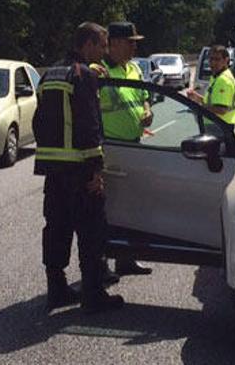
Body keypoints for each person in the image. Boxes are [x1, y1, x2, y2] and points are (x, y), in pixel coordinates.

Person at [32, 22, 123, 314]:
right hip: (80, 169)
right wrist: (97, 170)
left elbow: (38, 122)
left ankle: (56, 289)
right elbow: (89, 125)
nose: (104, 51)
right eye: (101, 45)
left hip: (52, 169)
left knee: (56, 229)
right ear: (87, 45)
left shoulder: (49, 75)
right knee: (91, 232)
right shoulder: (83, 76)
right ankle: (93, 295)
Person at [95, 21, 154, 278]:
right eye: (130, 43)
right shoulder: (99, 72)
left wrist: (148, 110)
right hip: (111, 148)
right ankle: (100, 264)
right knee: (106, 209)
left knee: (131, 207)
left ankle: (126, 260)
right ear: (114, 43)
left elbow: (144, 99)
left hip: (134, 147)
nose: (134, 47)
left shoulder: (133, 69)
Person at [188, 45, 235, 128]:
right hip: (218, 125)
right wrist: (196, 97)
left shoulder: (223, 80)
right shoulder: (217, 77)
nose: (213, 63)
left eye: (217, 59)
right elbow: (213, 103)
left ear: (226, 60)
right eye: (211, 59)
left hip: (219, 127)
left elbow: (221, 109)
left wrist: (199, 106)